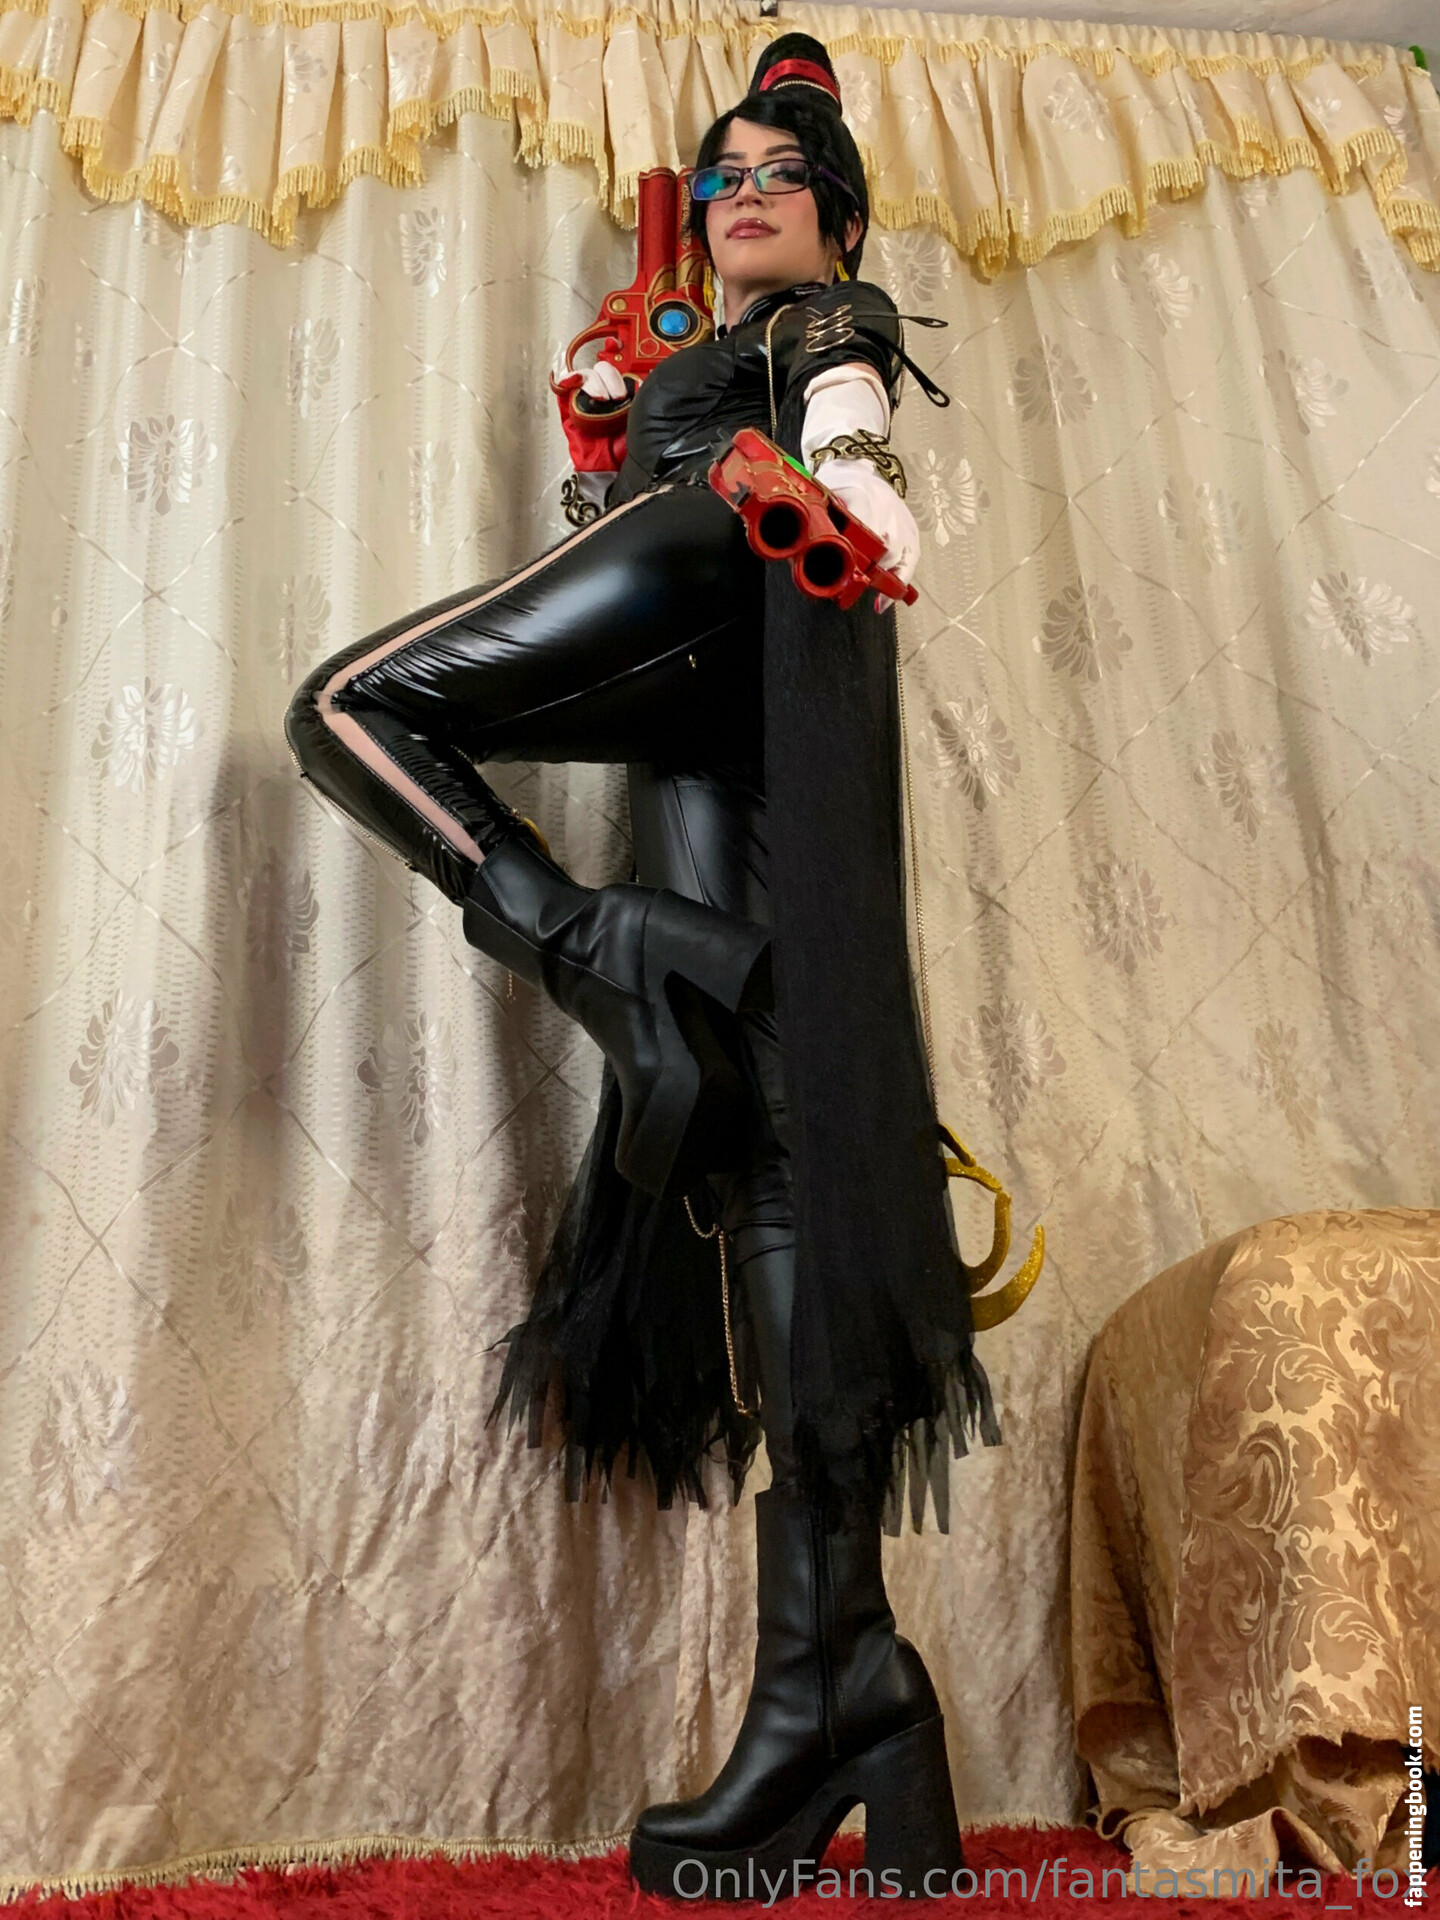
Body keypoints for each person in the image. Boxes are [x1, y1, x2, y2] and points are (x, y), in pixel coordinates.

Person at [286, 34, 995, 1898]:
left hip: (747, 538)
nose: (747, 190)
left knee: (351, 708)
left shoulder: (819, 319)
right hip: (724, 678)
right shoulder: (680, 338)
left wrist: (858, 468)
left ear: (839, 218)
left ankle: (606, 948)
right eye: (727, 172)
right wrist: (609, 425)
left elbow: (850, 386)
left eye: (783, 172)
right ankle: (846, 1686)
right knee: (764, 1130)